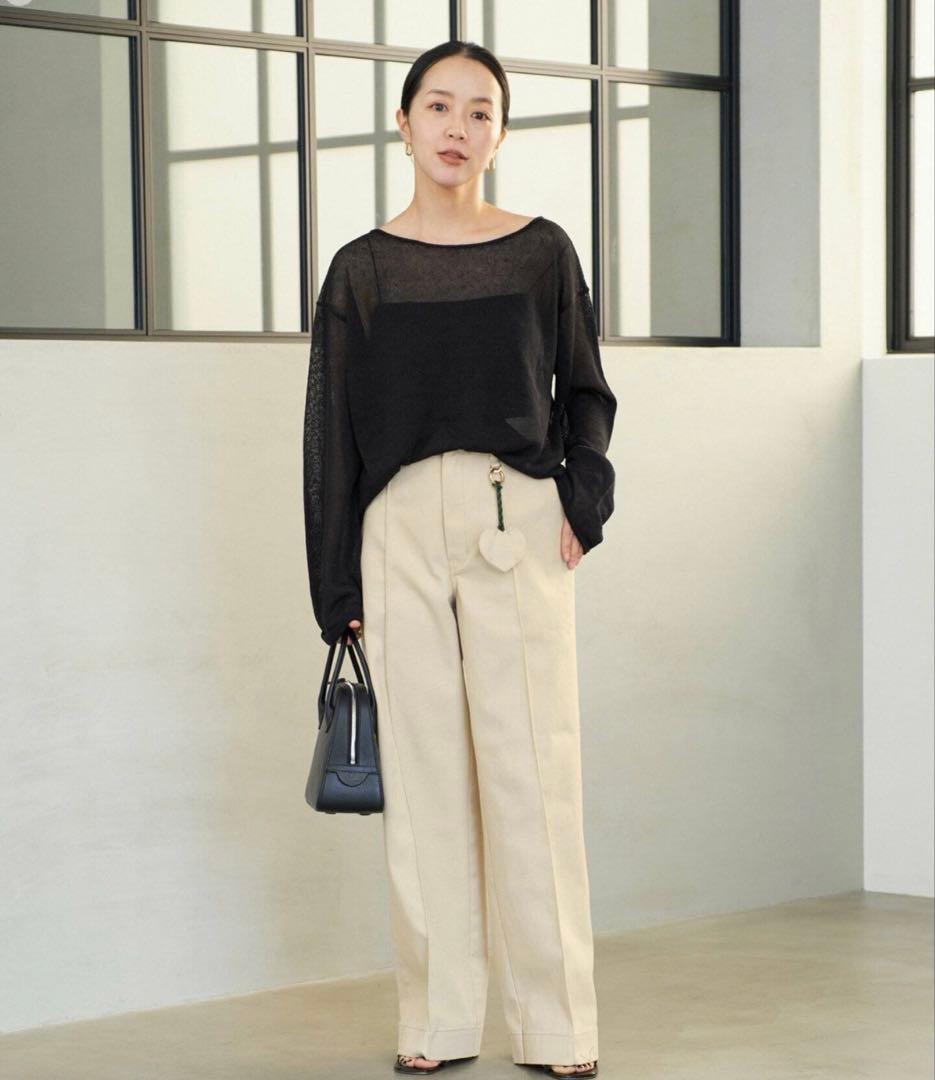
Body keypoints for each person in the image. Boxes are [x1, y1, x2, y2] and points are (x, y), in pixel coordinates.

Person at [303, 38, 615, 1079]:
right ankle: (436, 1024)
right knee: (427, 780)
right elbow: (329, 434)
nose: (457, 127)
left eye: (479, 111)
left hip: (512, 516)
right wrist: (336, 585)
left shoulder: (538, 253)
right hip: (395, 529)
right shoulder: (361, 270)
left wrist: (580, 500)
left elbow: (585, 389)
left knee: (535, 773)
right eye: (437, 106)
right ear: (402, 124)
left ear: (499, 132)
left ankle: (557, 1029)